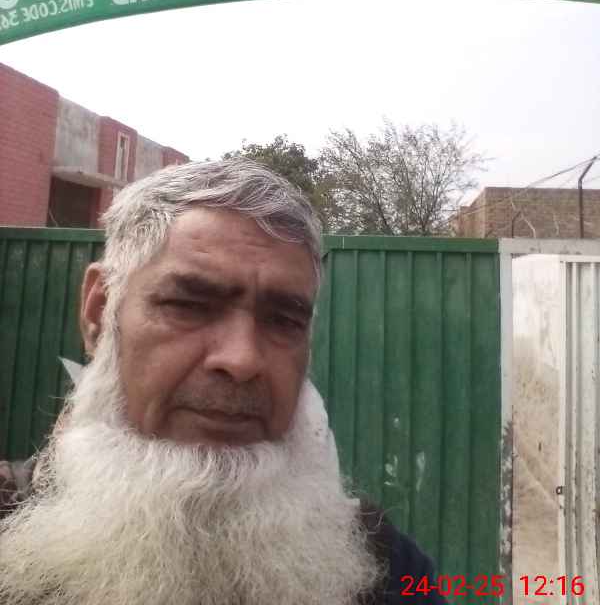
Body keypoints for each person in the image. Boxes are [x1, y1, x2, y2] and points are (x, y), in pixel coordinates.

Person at [0, 158, 447, 604]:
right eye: (188, 305)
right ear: (99, 313)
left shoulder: (388, 571)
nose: (242, 359)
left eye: (284, 320)